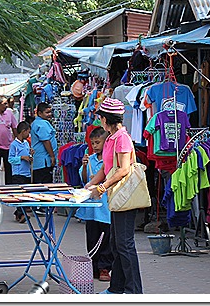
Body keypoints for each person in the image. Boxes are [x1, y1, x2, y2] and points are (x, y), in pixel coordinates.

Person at [85, 98, 144, 294]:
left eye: (100, 117)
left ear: (105, 118)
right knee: (116, 243)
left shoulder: (122, 138)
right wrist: (90, 183)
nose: (99, 120)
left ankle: (134, 291)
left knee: (125, 245)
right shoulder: (110, 138)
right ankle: (116, 288)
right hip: (115, 196)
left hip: (124, 196)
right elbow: (106, 167)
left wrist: (101, 188)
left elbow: (123, 169)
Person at [76, 127, 113, 282]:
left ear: (106, 142)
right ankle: (93, 266)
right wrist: (84, 166)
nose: (95, 146)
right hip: (91, 209)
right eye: (93, 143)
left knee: (106, 240)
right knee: (92, 239)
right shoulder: (90, 159)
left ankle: (105, 267)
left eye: (98, 142)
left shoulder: (109, 160)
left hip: (106, 209)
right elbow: (84, 180)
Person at [8, 121, 34, 223]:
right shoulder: (14, 145)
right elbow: (10, 159)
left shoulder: (26, 143)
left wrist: (30, 155)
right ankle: (21, 213)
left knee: (25, 194)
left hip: (27, 172)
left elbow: (28, 156)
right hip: (18, 174)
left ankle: (19, 213)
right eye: (28, 132)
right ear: (23, 131)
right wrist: (22, 158)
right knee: (20, 195)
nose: (28, 135)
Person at [30, 102, 57, 184]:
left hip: (41, 161)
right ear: (40, 113)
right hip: (43, 162)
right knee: (43, 185)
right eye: (47, 112)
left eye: (50, 112)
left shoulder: (40, 122)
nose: (49, 114)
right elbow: (46, 141)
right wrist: (52, 156)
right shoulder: (41, 124)